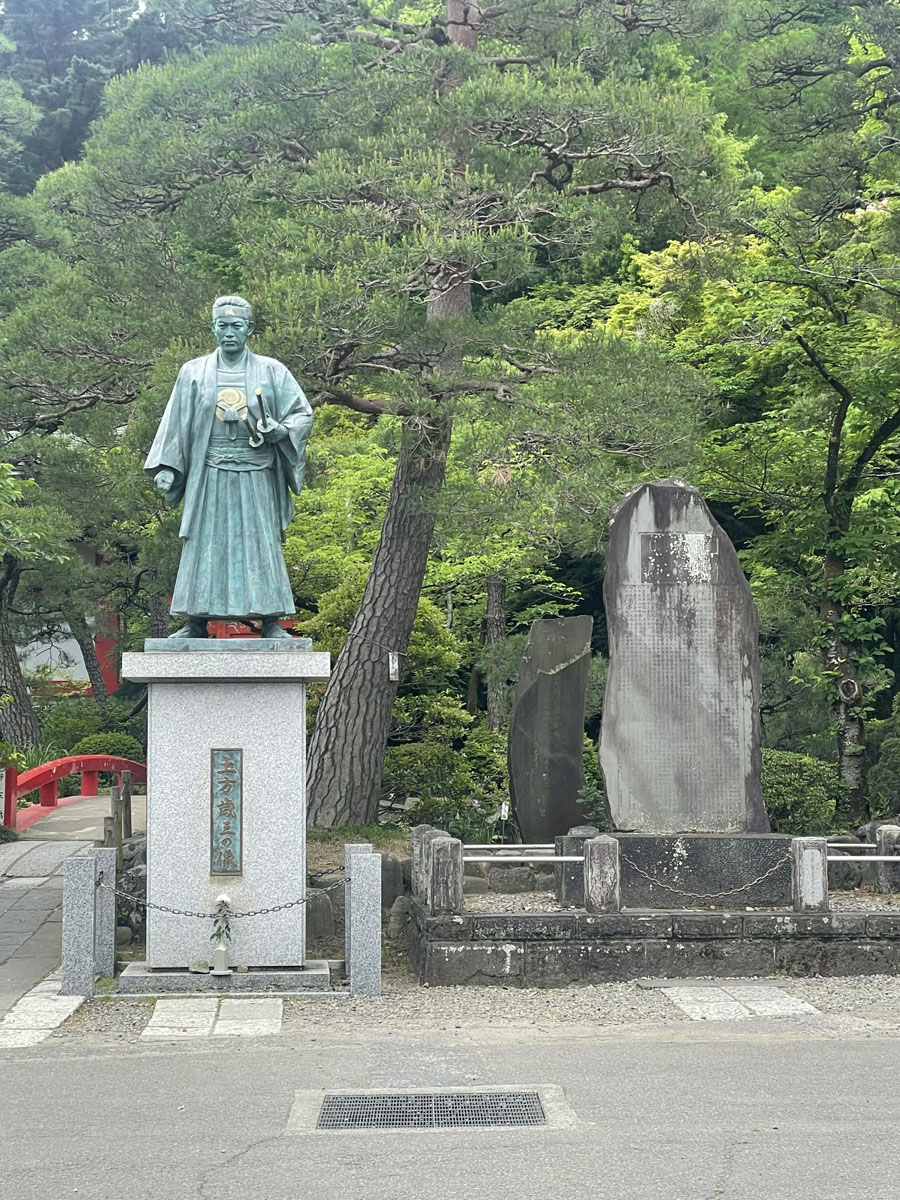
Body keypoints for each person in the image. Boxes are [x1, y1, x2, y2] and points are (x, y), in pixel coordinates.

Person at [145, 295, 313, 638]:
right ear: (213, 328)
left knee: (260, 543)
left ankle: (271, 621)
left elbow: (302, 414)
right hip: (210, 473)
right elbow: (175, 425)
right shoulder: (193, 372)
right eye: (223, 326)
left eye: (237, 326)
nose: (230, 333)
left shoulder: (271, 371)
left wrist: (280, 430)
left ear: (249, 329)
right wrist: (168, 468)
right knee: (205, 544)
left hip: (256, 473)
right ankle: (195, 622)